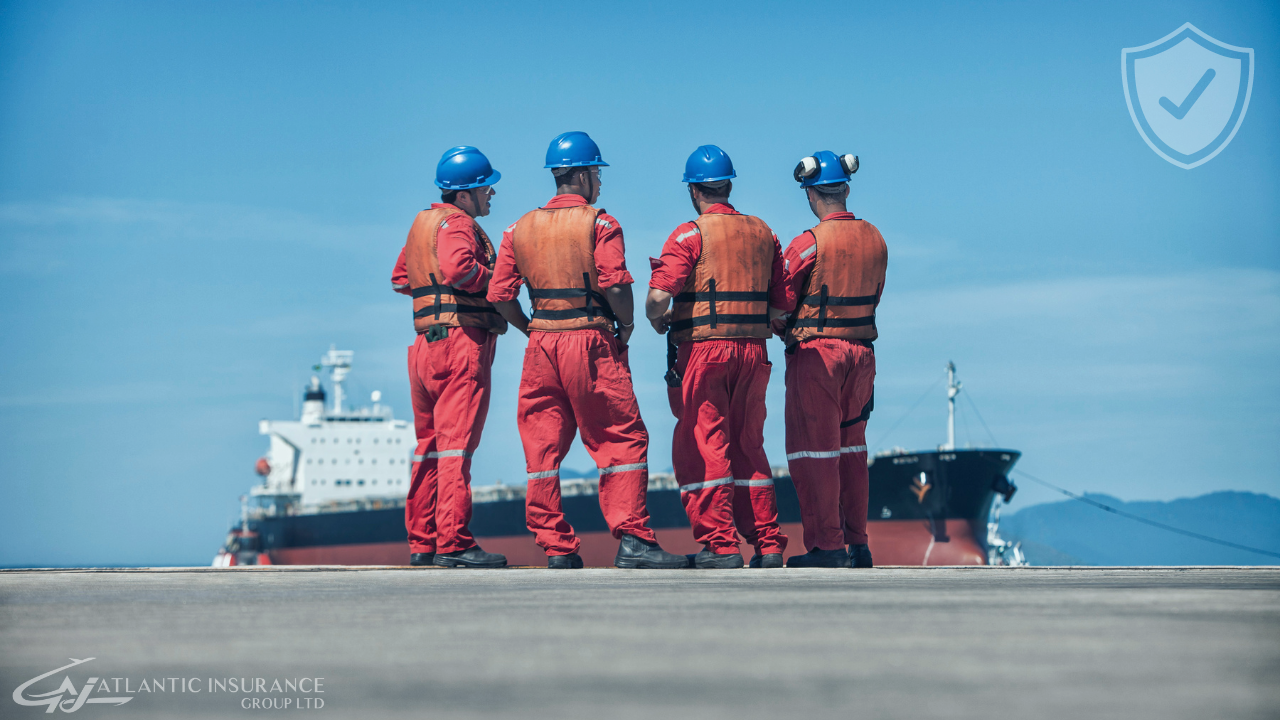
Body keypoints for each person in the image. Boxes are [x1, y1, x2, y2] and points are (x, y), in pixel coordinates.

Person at [487, 131, 688, 570]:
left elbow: (500, 295)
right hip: (590, 339)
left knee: (541, 443)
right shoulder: (600, 223)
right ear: (582, 176)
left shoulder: (517, 228)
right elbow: (615, 285)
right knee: (621, 436)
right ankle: (633, 539)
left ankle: (556, 547)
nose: (599, 182)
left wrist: (530, 328)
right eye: (597, 174)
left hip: (541, 344)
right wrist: (627, 325)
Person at [645, 145, 794, 569]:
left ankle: (721, 544)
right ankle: (768, 544)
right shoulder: (764, 233)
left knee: (704, 443)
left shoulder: (689, 235)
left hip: (704, 351)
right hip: (754, 351)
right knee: (750, 445)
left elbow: (658, 298)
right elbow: (782, 305)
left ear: (694, 191)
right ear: (728, 186)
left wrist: (658, 319)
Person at [391, 146, 509, 569]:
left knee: (430, 447)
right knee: (456, 447)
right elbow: (461, 270)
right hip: (460, 344)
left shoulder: (422, 223)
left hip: (424, 346)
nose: (491, 194)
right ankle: (454, 543)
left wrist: (434, 292)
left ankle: (423, 542)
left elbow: (400, 279)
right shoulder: (459, 223)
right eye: (485, 187)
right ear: (464, 194)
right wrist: (500, 282)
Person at [779, 151, 886, 569]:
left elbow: (781, 301)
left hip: (818, 358)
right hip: (862, 355)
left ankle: (827, 546)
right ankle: (858, 545)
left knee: (814, 453)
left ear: (810, 194)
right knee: (852, 450)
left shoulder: (809, 243)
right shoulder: (876, 238)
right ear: (846, 189)